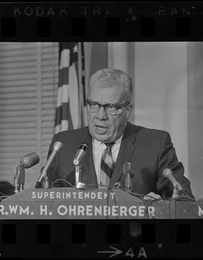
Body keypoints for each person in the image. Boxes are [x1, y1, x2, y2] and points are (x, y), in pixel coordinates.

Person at [45, 68, 194, 199]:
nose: (100, 115)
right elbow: (41, 199)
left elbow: (183, 198)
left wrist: (156, 206)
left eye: (111, 107)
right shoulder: (63, 144)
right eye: (94, 105)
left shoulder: (156, 144)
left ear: (127, 111)